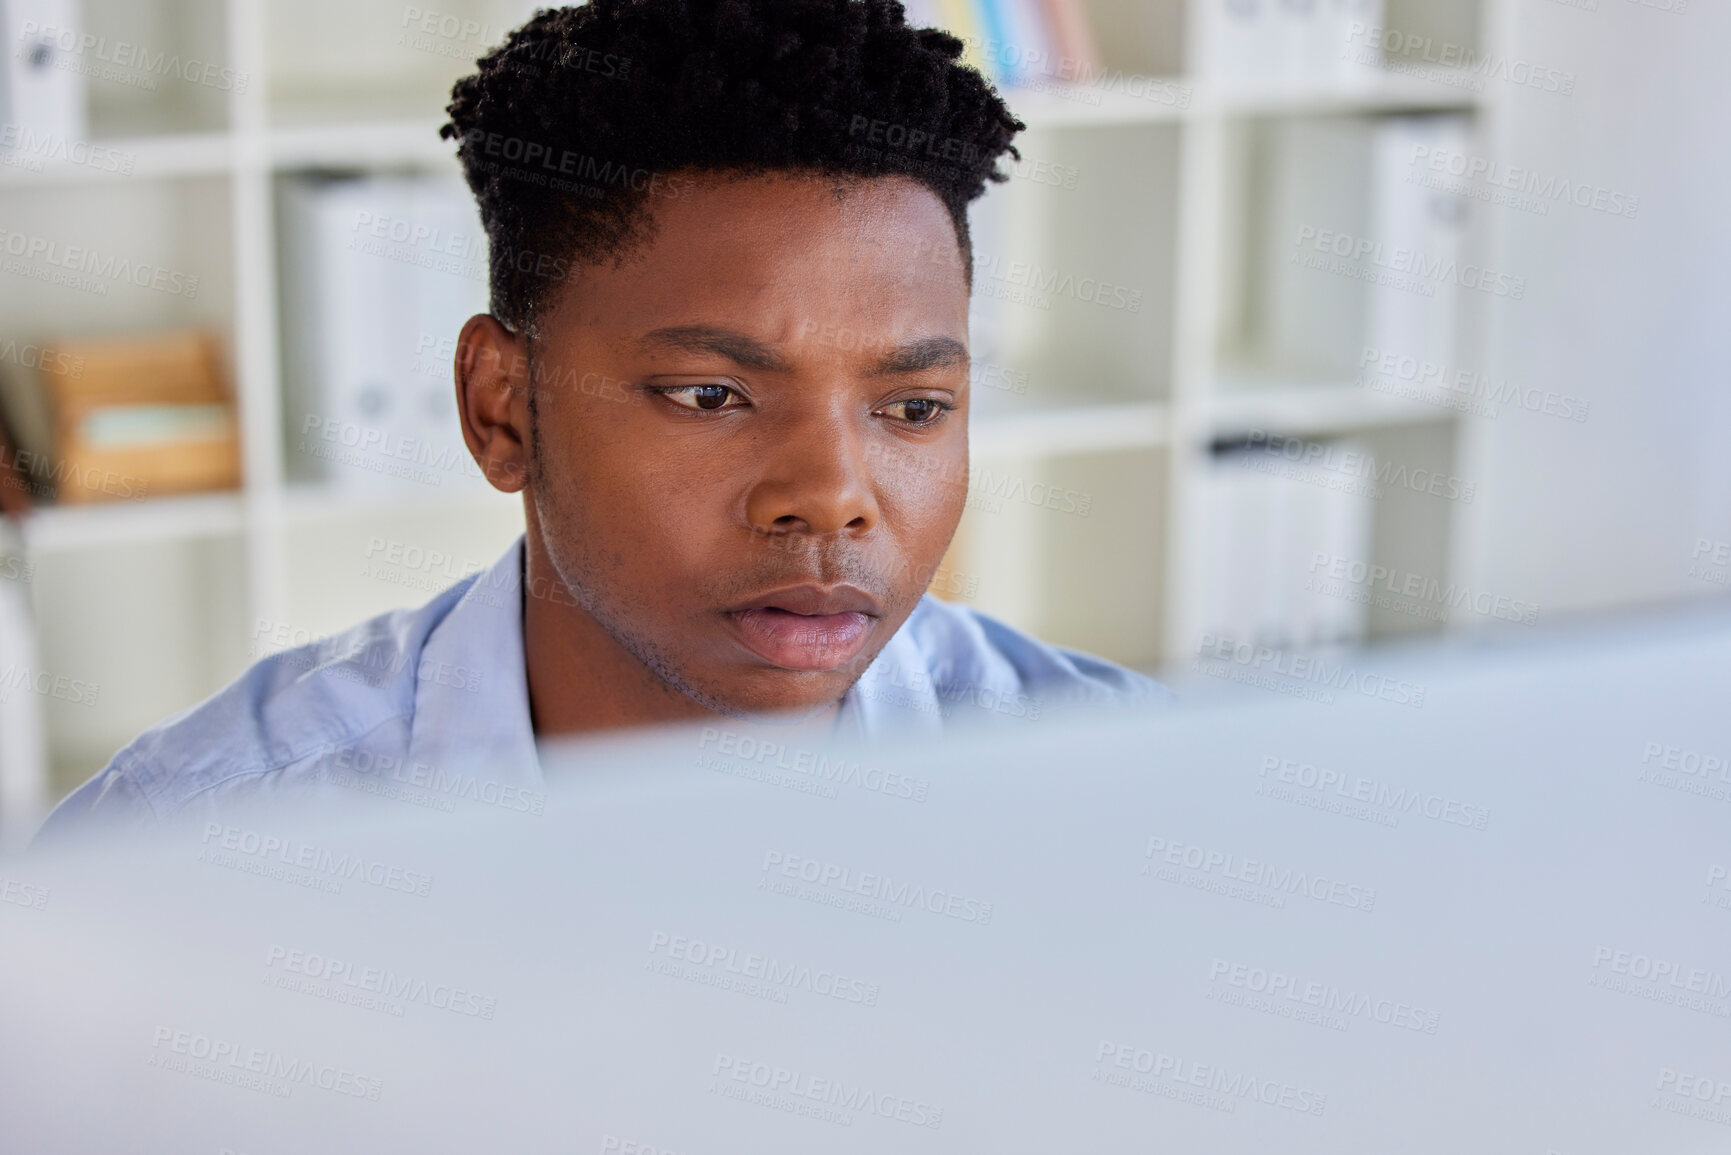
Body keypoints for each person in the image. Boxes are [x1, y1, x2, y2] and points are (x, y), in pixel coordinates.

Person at [36, 0, 1168, 843]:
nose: (832, 493)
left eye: (914, 408)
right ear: (502, 409)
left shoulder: (1124, 797)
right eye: (711, 397)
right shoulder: (192, 860)